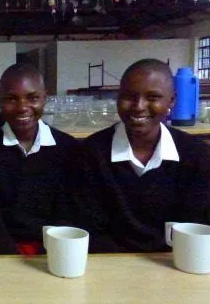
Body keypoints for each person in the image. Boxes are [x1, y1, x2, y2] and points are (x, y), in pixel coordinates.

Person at [72, 58, 210, 253]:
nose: (139, 106)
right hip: (107, 263)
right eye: (129, 96)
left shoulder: (196, 155)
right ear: (118, 97)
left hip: (174, 262)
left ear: (171, 100)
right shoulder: (91, 153)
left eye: (152, 97)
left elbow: (196, 226)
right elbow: (87, 227)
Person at [0, 63, 78, 255]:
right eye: (11, 99)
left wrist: (47, 255)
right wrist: (12, 260)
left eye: (32, 98)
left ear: (45, 98)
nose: (22, 107)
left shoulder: (69, 149)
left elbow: (68, 213)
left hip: (53, 250)